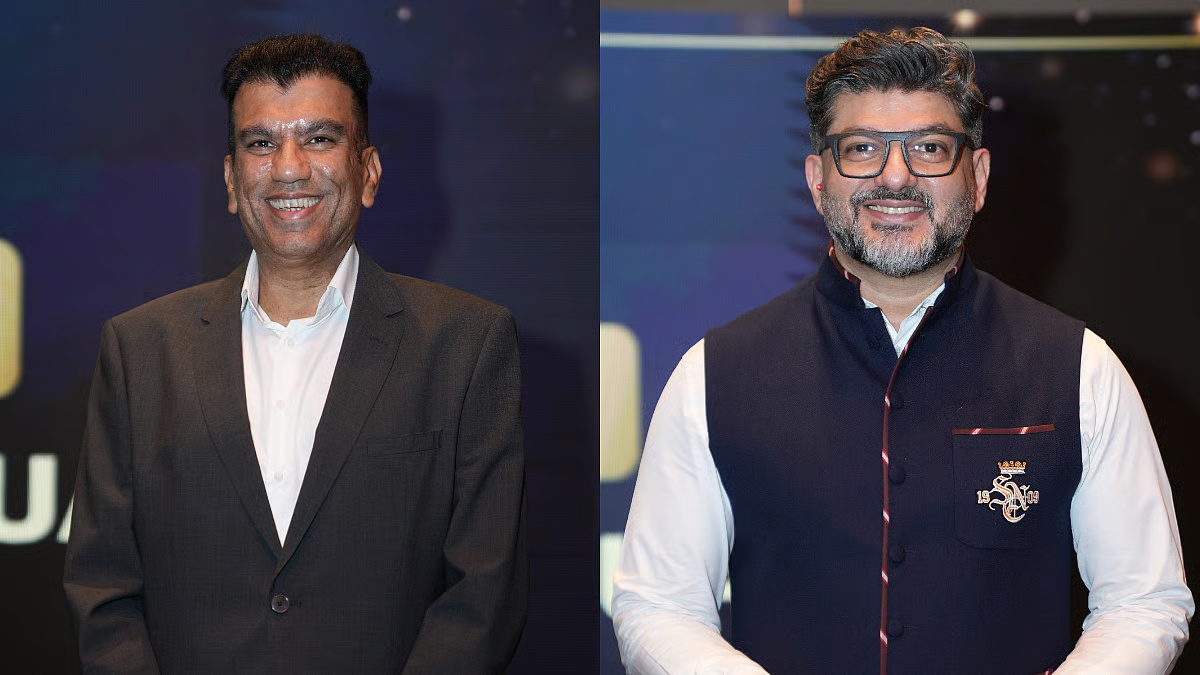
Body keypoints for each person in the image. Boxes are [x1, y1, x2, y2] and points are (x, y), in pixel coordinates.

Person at [612, 27, 1192, 674]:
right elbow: (656, 605)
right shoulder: (714, 375)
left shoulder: (1080, 369)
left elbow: (1144, 600)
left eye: (929, 148)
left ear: (978, 177)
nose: (896, 176)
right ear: (817, 179)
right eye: (861, 148)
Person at [63, 34, 527, 673]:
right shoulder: (141, 348)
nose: (288, 168)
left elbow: (484, 595)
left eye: (319, 138)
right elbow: (102, 585)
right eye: (260, 143)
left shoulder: (466, 344)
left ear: (368, 171)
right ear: (232, 180)